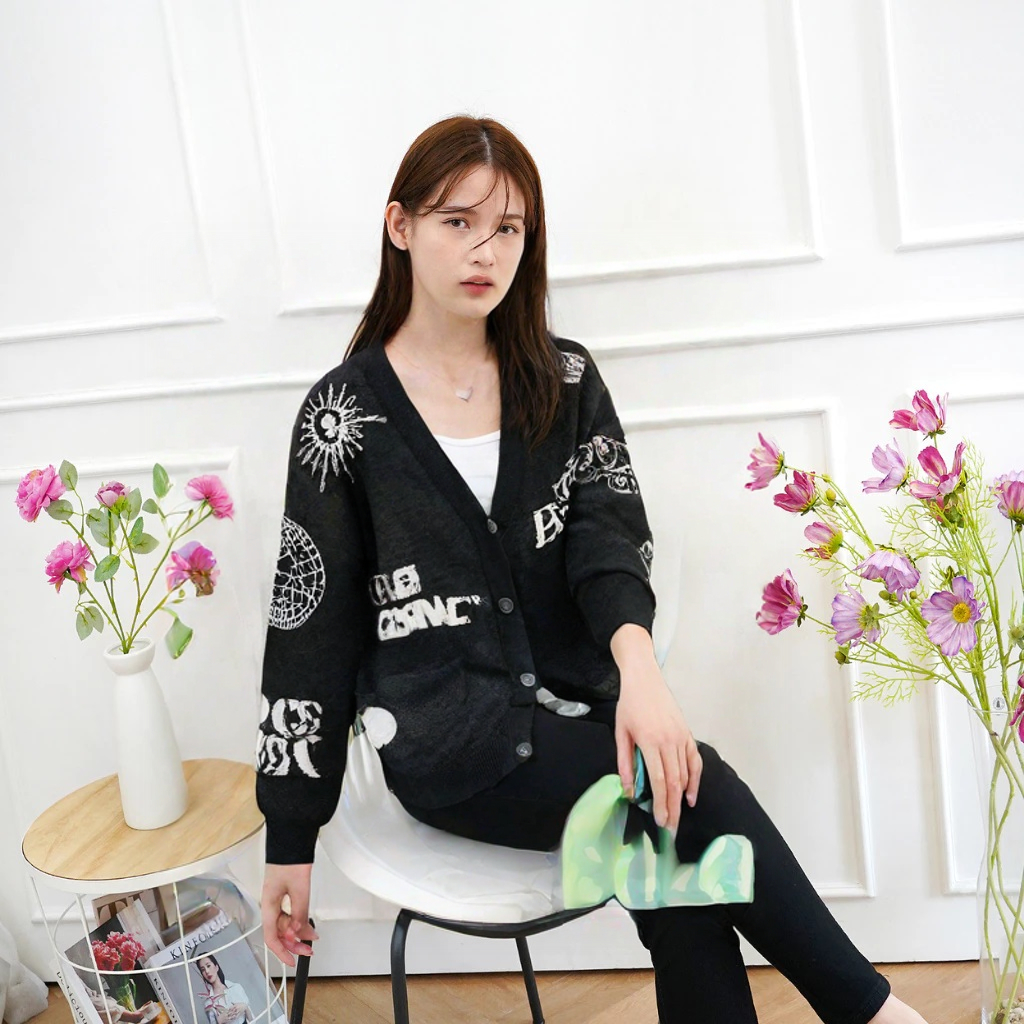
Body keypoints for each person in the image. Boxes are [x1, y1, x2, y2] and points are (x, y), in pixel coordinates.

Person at [257, 114, 931, 1024]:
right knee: (684, 790)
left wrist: (641, 673)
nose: (486, 251)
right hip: (449, 740)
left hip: (580, 708)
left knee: (675, 859)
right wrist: (290, 835)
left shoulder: (564, 381)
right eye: (458, 222)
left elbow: (608, 538)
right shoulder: (341, 419)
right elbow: (310, 629)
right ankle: (876, 1013)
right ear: (400, 225)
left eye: (508, 228)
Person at [196, 955, 253, 1024]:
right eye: (203, 970)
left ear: (216, 967)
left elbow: (253, 1020)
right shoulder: (208, 1003)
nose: (207, 971)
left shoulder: (236, 988)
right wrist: (218, 1021)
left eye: (208, 966)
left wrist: (245, 1007)